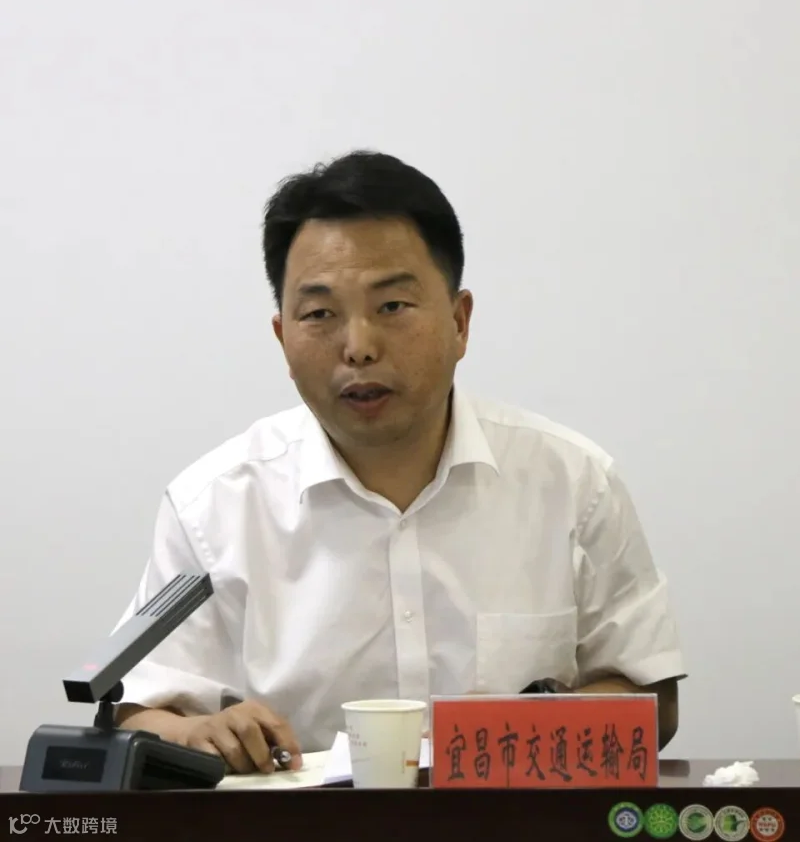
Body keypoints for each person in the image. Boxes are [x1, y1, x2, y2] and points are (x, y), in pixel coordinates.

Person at [114, 150, 686, 774]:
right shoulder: (211, 505)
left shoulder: (574, 483)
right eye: (320, 314)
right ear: (283, 337)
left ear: (460, 322)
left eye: (392, 307)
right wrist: (198, 733)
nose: (358, 347)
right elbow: (140, 710)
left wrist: (525, 726)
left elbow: (651, 700)